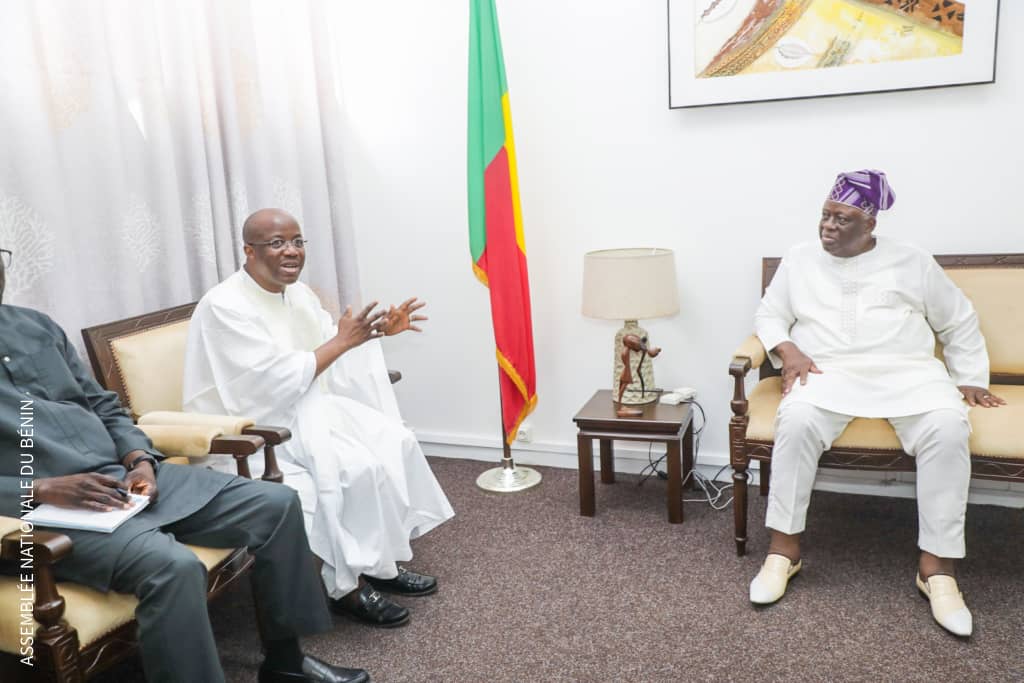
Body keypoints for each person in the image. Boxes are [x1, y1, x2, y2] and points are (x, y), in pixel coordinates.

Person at [0, 248, 369, 683]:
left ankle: (286, 663)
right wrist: (40, 488)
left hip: (121, 478)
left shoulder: (37, 326)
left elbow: (104, 405)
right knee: (172, 567)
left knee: (277, 503)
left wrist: (140, 460)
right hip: (39, 514)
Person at [748, 170, 1004, 637]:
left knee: (948, 426)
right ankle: (783, 551)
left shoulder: (912, 259)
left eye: (841, 219)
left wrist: (969, 378)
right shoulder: (799, 258)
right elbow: (770, 314)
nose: (828, 226)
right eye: (825, 215)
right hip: (827, 371)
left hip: (908, 371)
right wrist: (789, 350)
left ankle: (937, 569)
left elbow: (957, 319)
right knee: (797, 418)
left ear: (869, 224)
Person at [183, 209, 455, 629]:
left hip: (304, 410)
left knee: (392, 443)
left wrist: (375, 332)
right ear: (249, 251)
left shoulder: (299, 295)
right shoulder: (224, 305)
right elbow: (263, 385)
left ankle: (379, 563)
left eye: (297, 241)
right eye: (277, 243)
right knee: (353, 469)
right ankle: (345, 586)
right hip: (251, 432)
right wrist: (343, 342)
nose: (291, 251)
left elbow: (329, 347)